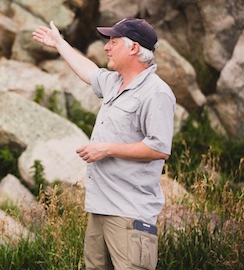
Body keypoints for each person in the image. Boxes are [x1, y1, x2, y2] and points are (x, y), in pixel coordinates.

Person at [33, 18, 176, 270]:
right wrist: (59, 43)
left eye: (113, 41)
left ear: (133, 48)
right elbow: (88, 70)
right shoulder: (114, 83)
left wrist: (106, 148)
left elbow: (159, 148)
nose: (106, 47)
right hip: (100, 209)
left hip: (130, 213)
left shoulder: (157, 93)